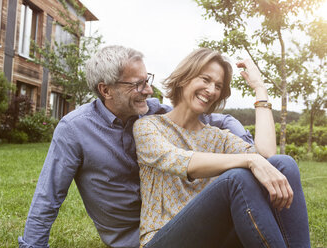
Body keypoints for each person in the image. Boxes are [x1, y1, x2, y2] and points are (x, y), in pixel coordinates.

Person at [18, 45, 295, 248]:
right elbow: (48, 196)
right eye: (138, 84)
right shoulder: (76, 129)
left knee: (283, 165)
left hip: (190, 223)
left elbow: (198, 115)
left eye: (147, 80)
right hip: (138, 237)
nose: (149, 91)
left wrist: (257, 94)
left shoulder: (150, 110)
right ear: (106, 90)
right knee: (237, 178)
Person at [133, 48, 310, 247]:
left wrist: (260, 88)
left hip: (213, 239)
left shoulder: (218, 137)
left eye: (218, 85)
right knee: (238, 179)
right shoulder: (148, 126)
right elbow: (179, 160)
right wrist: (249, 160)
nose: (211, 90)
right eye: (205, 79)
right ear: (184, 78)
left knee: (283, 163)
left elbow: (268, 155)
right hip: (162, 239)